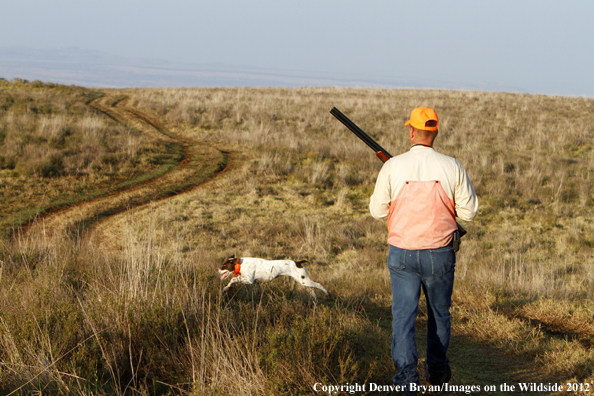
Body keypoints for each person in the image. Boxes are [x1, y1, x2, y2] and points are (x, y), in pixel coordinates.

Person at [369, 107, 478, 395]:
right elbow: (469, 212)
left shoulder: (393, 167)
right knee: (439, 315)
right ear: (436, 132)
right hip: (440, 253)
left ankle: (407, 380)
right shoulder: (452, 166)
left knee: (403, 316)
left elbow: (377, 210)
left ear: (411, 131)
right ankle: (439, 372)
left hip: (402, 253)